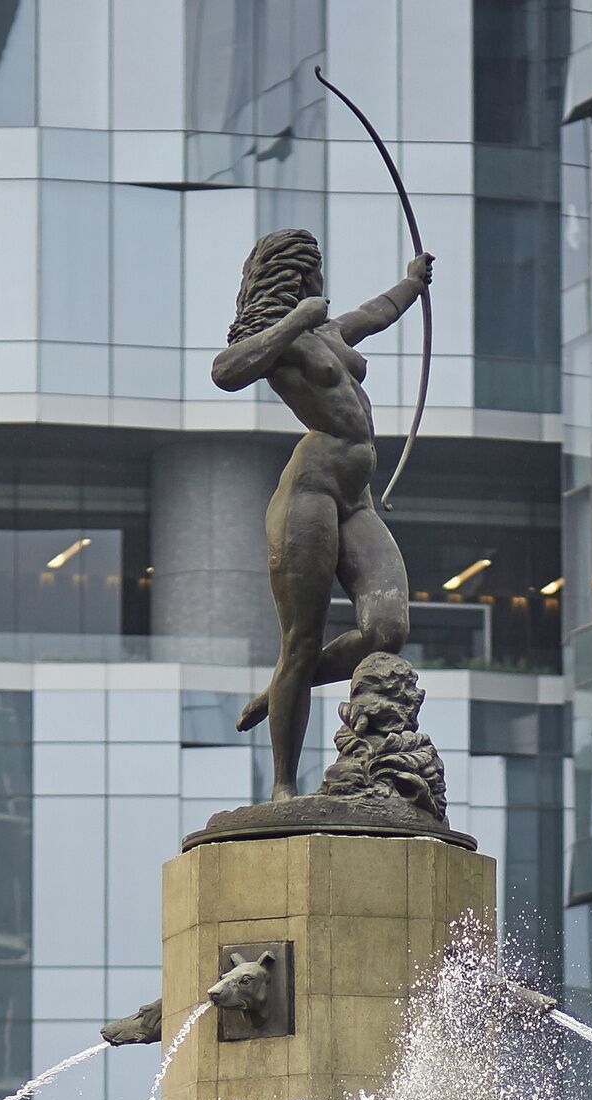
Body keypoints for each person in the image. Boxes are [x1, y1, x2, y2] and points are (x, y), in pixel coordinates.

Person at [210, 227, 433, 802]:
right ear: (300, 276)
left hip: (357, 498)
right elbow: (226, 371)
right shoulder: (281, 338)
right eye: (316, 271)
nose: (323, 282)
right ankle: (284, 786)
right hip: (309, 492)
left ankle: (287, 684)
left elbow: (375, 313)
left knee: (387, 629)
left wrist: (412, 283)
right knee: (301, 638)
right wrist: (292, 321)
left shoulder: (329, 333)